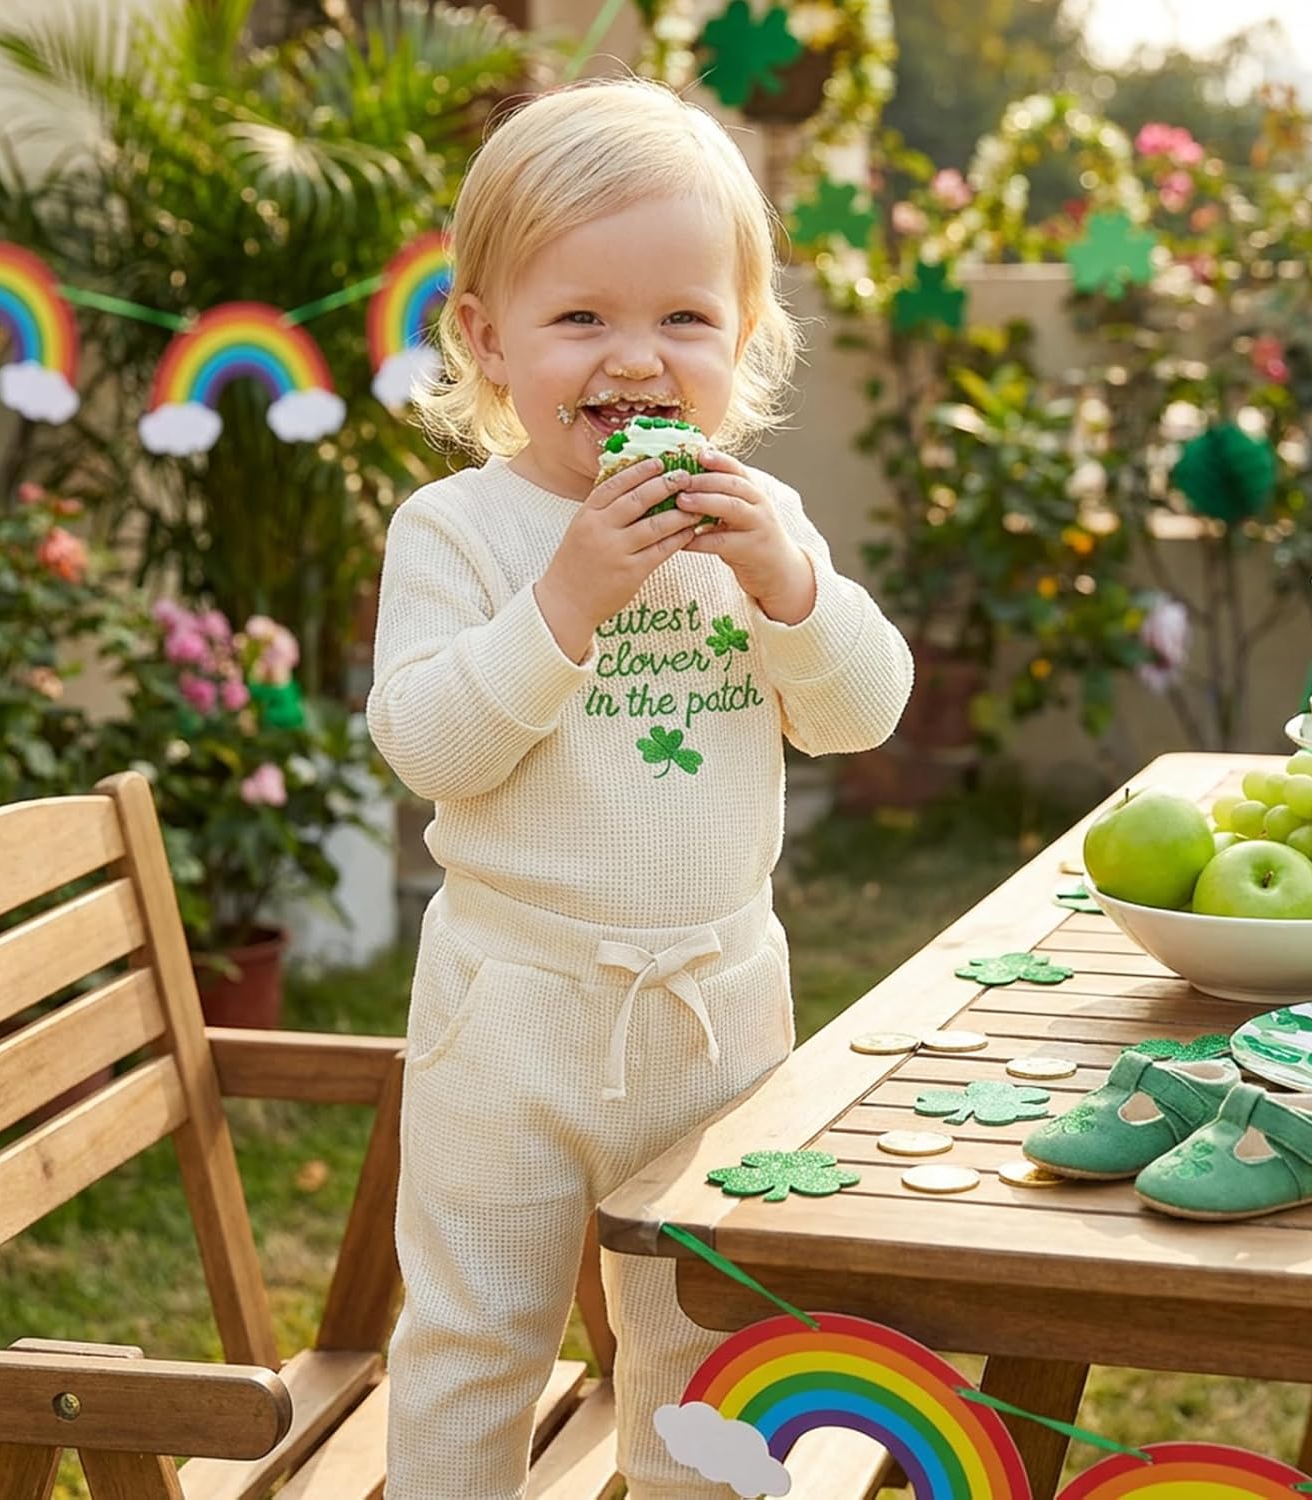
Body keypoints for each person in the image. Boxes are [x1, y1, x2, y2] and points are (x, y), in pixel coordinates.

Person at [367, 74, 913, 1500]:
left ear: (745, 343)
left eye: (683, 319)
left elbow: (860, 712)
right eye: (581, 319)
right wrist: (565, 600)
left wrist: (791, 583)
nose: (637, 357)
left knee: (699, 1342)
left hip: (716, 1013)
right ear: (486, 341)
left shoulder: (757, 525)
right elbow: (430, 745)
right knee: (475, 1337)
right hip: (509, 1012)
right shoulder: (462, 531)